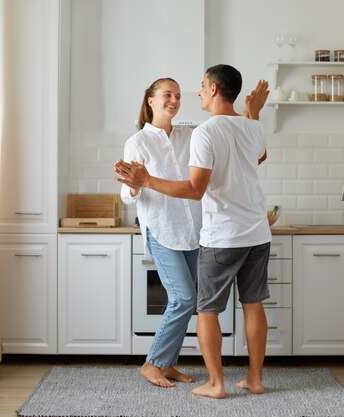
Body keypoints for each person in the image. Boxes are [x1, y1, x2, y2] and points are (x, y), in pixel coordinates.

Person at [115, 64, 271, 399]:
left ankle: (173, 365)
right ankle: (154, 362)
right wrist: (134, 185)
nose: (175, 98)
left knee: (195, 303)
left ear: (212, 89)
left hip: (199, 231)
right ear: (151, 101)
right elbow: (128, 195)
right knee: (188, 299)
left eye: (179, 93)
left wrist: (247, 115)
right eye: (167, 94)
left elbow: (223, 162)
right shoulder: (137, 141)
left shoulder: (194, 132)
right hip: (164, 228)